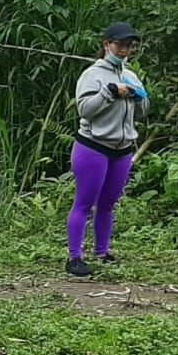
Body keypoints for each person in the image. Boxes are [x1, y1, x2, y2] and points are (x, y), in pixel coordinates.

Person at [67, 22, 150, 277]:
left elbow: (144, 111)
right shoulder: (92, 75)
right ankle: (74, 257)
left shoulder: (130, 74)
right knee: (84, 202)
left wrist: (139, 97)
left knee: (108, 203)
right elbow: (85, 110)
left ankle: (102, 252)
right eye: (120, 45)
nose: (125, 50)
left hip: (122, 149)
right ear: (107, 45)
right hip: (93, 146)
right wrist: (109, 93)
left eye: (129, 46)